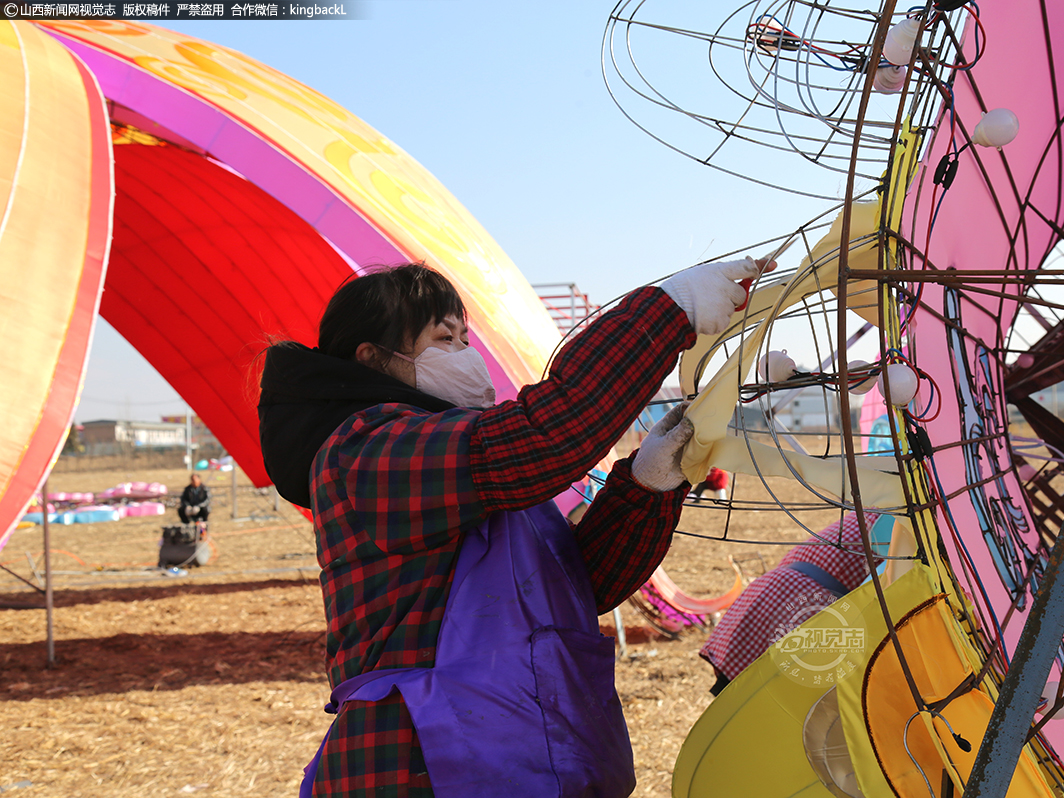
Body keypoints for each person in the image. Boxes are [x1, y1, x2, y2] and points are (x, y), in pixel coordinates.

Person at [257, 257, 771, 798]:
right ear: (375, 359)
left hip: (514, 751)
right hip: (419, 763)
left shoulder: (464, 463)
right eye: (444, 338)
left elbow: (577, 588)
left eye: (465, 336)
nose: (466, 353)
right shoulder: (367, 451)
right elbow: (551, 435)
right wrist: (666, 312)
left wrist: (648, 484)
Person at [699, 513, 877, 695]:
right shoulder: (895, 529)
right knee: (760, 697)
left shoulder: (869, 510)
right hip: (806, 606)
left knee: (737, 694)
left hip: (771, 588)